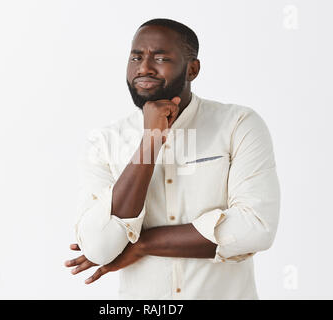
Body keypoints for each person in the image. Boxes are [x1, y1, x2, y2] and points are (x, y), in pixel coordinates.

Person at [65, 18, 280, 299]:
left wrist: (140, 244)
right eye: (136, 57)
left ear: (192, 69)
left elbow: (256, 228)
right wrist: (150, 139)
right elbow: (99, 248)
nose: (144, 68)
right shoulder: (104, 142)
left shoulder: (238, 125)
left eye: (161, 57)